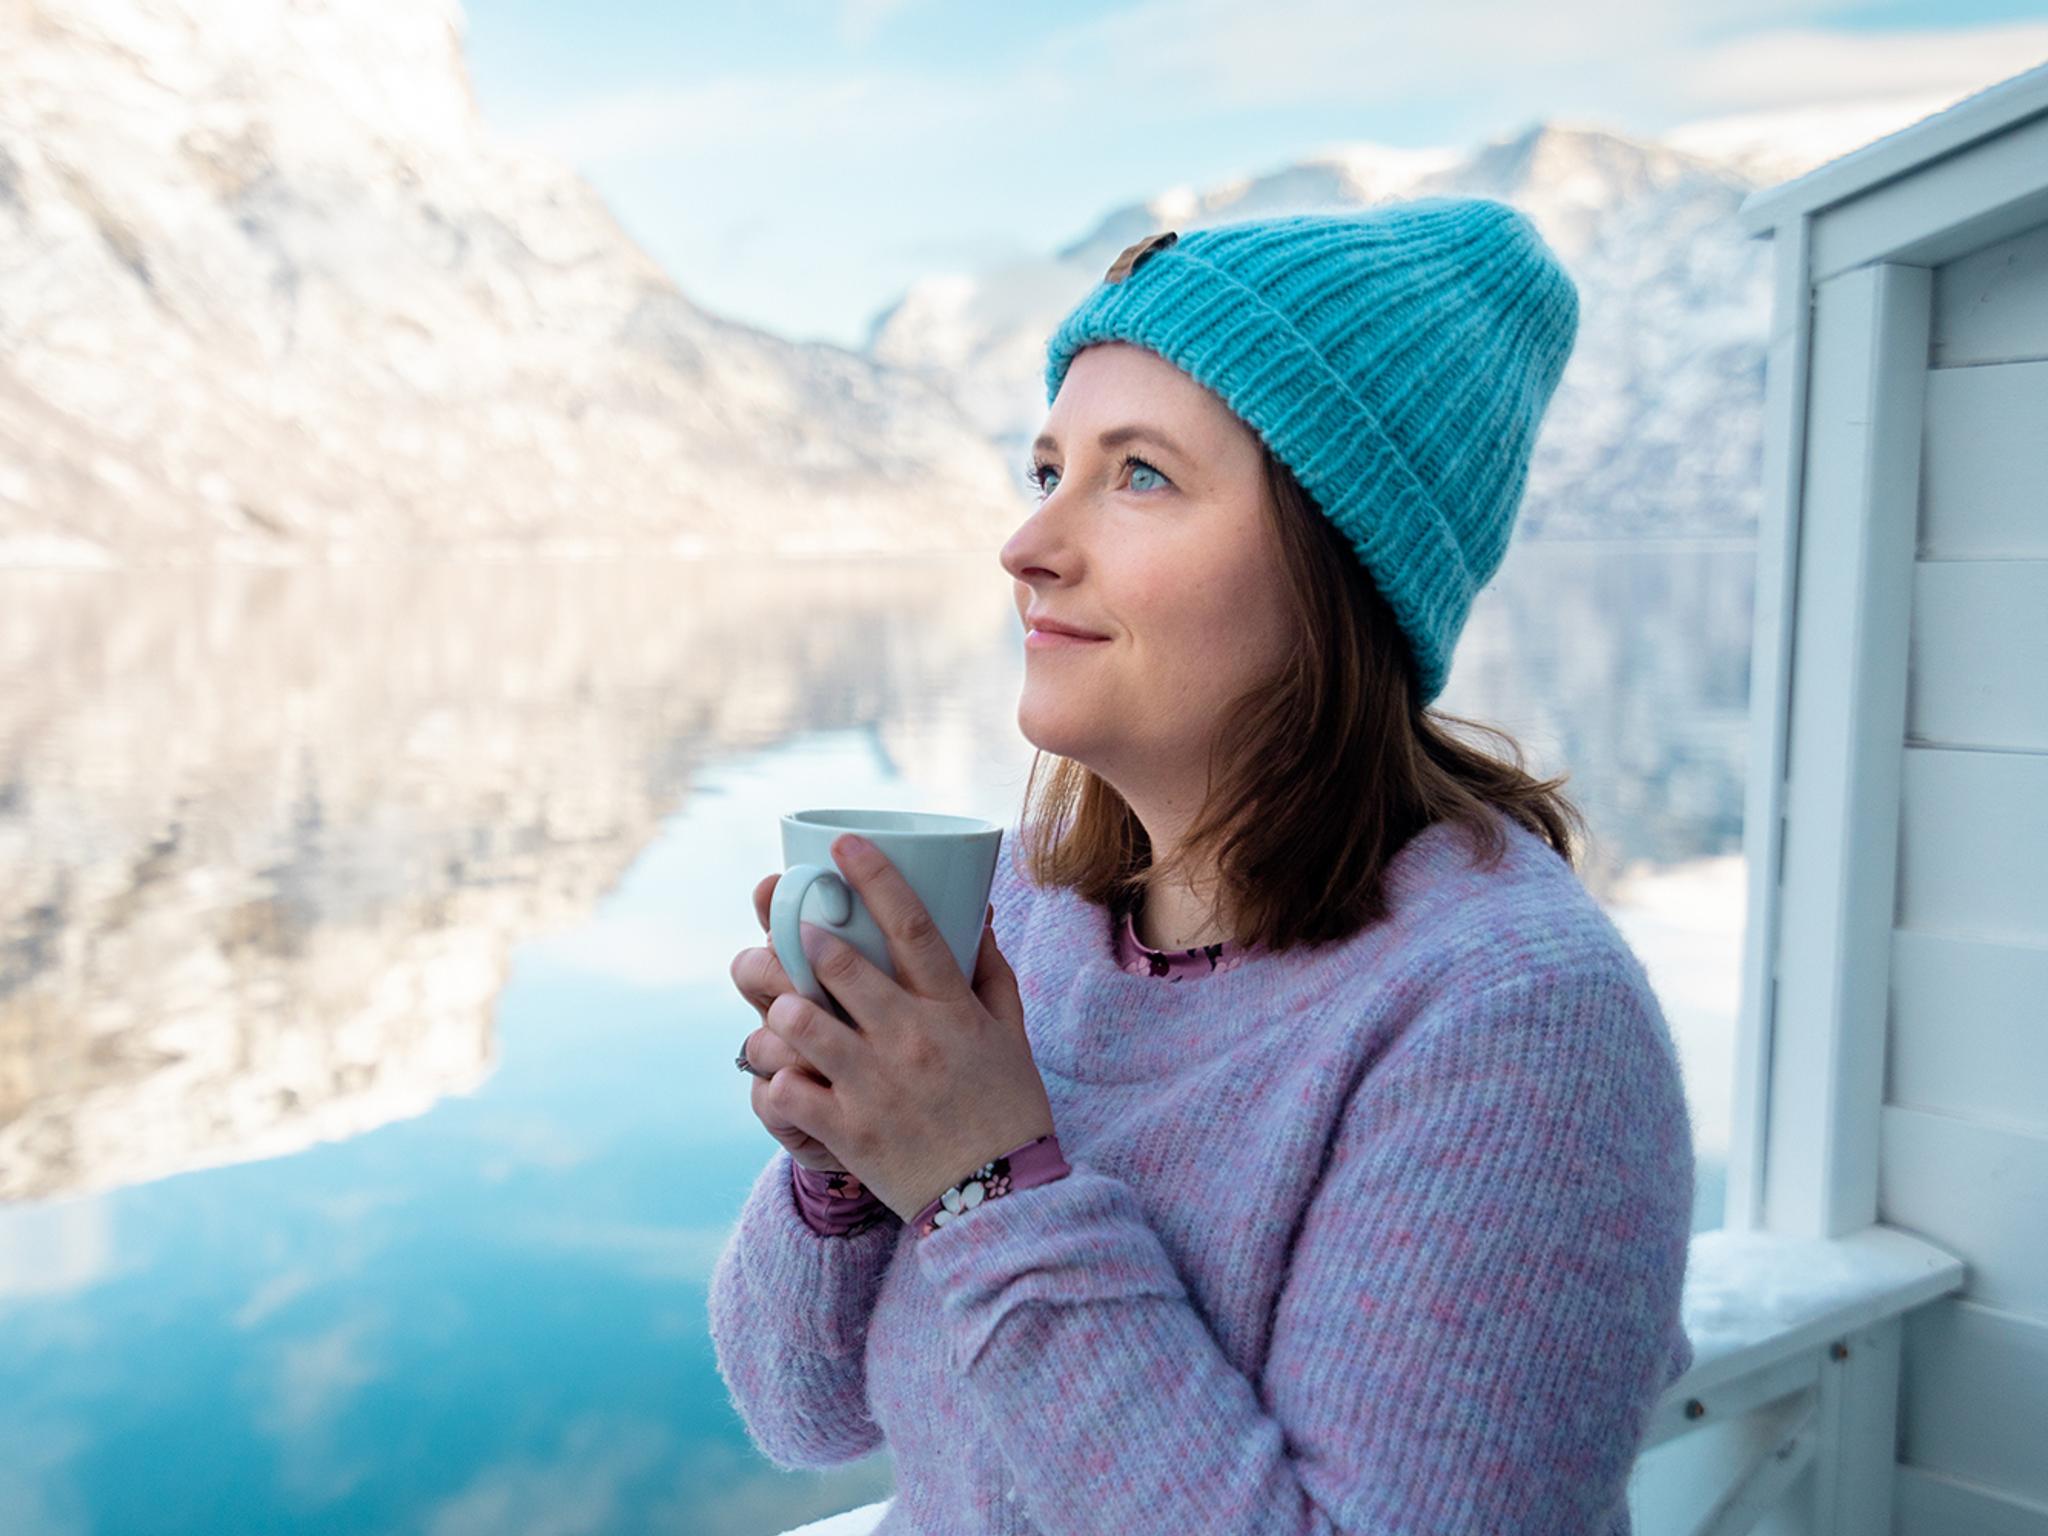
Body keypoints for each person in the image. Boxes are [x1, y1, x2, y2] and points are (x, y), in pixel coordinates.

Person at [710, 197, 1697, 1535]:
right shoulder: (1030, 920)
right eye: (1047, 470)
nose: (1029, 546)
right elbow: (800, 1412)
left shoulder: (1513, 1022)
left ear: (1339, 559)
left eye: (1141, 476)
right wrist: (847, 1159)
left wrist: (984, 1182)